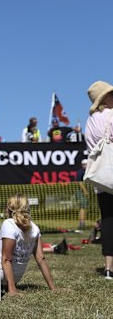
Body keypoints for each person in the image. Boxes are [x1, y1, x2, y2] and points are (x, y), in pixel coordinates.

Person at [85, 80, 113, 279]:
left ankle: (109, 268)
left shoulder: (90, 121)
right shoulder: (111, 116)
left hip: (103, 178)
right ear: (106, 97)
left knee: (108, 220)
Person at [0, 194, 56, 294]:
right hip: (16, 278)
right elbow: (41, 259)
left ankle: (10, 288)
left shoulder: (8, 224)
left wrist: (12, 291)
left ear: (8, 209)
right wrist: (53, 288)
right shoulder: (35, 228)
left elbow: (6, 259)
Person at [76, 159, 89, 230]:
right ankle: (82, 223)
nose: (85, 165)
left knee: (83, 207)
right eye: (84, 164)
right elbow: (79, 182)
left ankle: (82, 223)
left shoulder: (87, 171)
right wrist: (85, 190)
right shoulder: (80, 172)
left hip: (85, 192)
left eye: (86, 164)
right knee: (82, 207)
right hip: (80, 192)